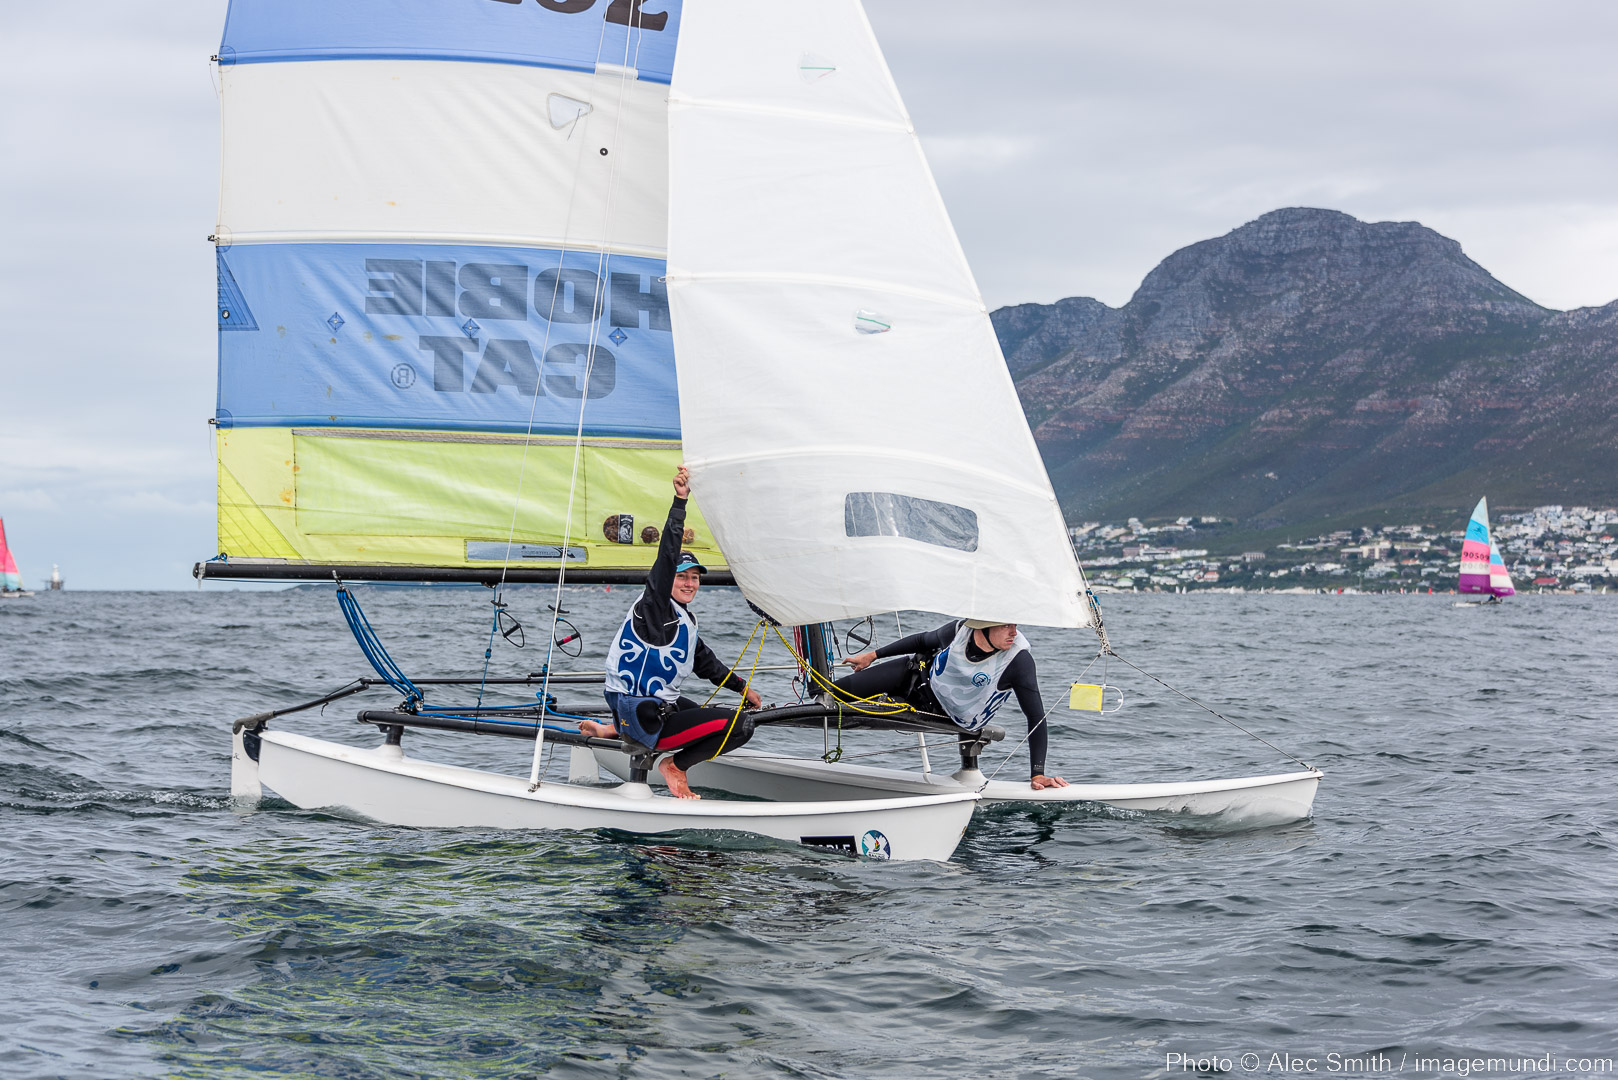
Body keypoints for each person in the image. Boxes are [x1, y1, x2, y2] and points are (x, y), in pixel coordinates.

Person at [578, 466, 763, 798]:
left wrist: (743, 688)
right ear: (669, 581)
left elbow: (706, 663)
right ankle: (675, 766)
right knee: (740, 726)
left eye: (695, 578)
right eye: (682, 577)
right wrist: (680, 502)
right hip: (643, 716)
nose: (690, 583)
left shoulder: (682, 619)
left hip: (641, 710)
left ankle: (612, 729)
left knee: (702, 713)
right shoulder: (655, 607)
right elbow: (666, 556)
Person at [834, 619, 1068, 791]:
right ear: (983, 627)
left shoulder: (1018, 661)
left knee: (880, 706)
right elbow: (922, 640)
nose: (1014, 632)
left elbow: (1036, 717)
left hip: (938, 712)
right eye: (1006, 625)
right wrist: (873, 655)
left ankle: (889, 701)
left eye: (1015, 625)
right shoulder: (959, 631)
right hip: (913, 675)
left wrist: (1037, 773)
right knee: (830, 693)